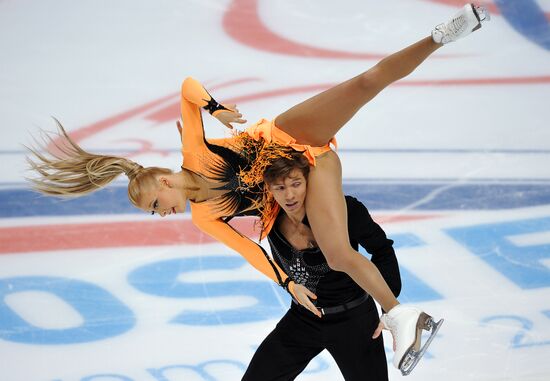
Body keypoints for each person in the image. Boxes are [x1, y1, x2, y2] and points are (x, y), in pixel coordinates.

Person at [26, 3, 489, 373]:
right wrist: (287, 282)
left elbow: (187, 85)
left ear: (164, 181)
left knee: (365, 83)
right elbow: (251, 251)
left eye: (154, 204)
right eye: (153, 211)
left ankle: (443, 34)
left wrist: (216, 108)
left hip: (288, 136)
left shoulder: (195, 155)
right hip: (309, 170)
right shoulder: (204, 216)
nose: (159, 213)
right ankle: (402, 316)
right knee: (336, 252)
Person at [242, 152, 401, 381]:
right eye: (279, 187)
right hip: (303, 318)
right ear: (268, 188)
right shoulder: (268, 213)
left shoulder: (343, 210)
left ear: (308, 180)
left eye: (296, 184)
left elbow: (382, 249)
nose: (289, 195)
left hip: (354, 320)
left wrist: (389, 305)